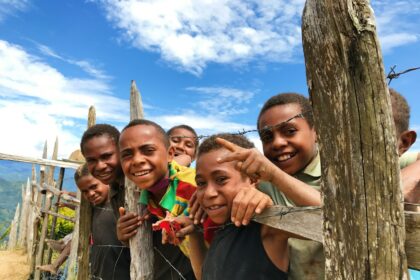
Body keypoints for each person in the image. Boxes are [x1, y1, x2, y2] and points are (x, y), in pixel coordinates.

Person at [166, 133, 314, 280]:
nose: (209, 193)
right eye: (201, 183)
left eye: (221, 179)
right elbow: (204, 276)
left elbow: (332, 221)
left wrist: (274, 175)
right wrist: (195, 234)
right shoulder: (223, 228)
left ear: (253, 179)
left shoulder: (267, 226)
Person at [118, 119, 197, 279]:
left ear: (170, 154)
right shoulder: (146, 200)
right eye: (127, 154)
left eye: (148, 150)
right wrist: (126, 237)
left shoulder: (194, 183)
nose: (137, 160)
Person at [76, 163, 131, 280]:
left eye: (94, 186)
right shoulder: (91, 210)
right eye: (84, 191)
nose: (90, 193)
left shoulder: (120, 207)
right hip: (98, 274)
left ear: (105, 180)